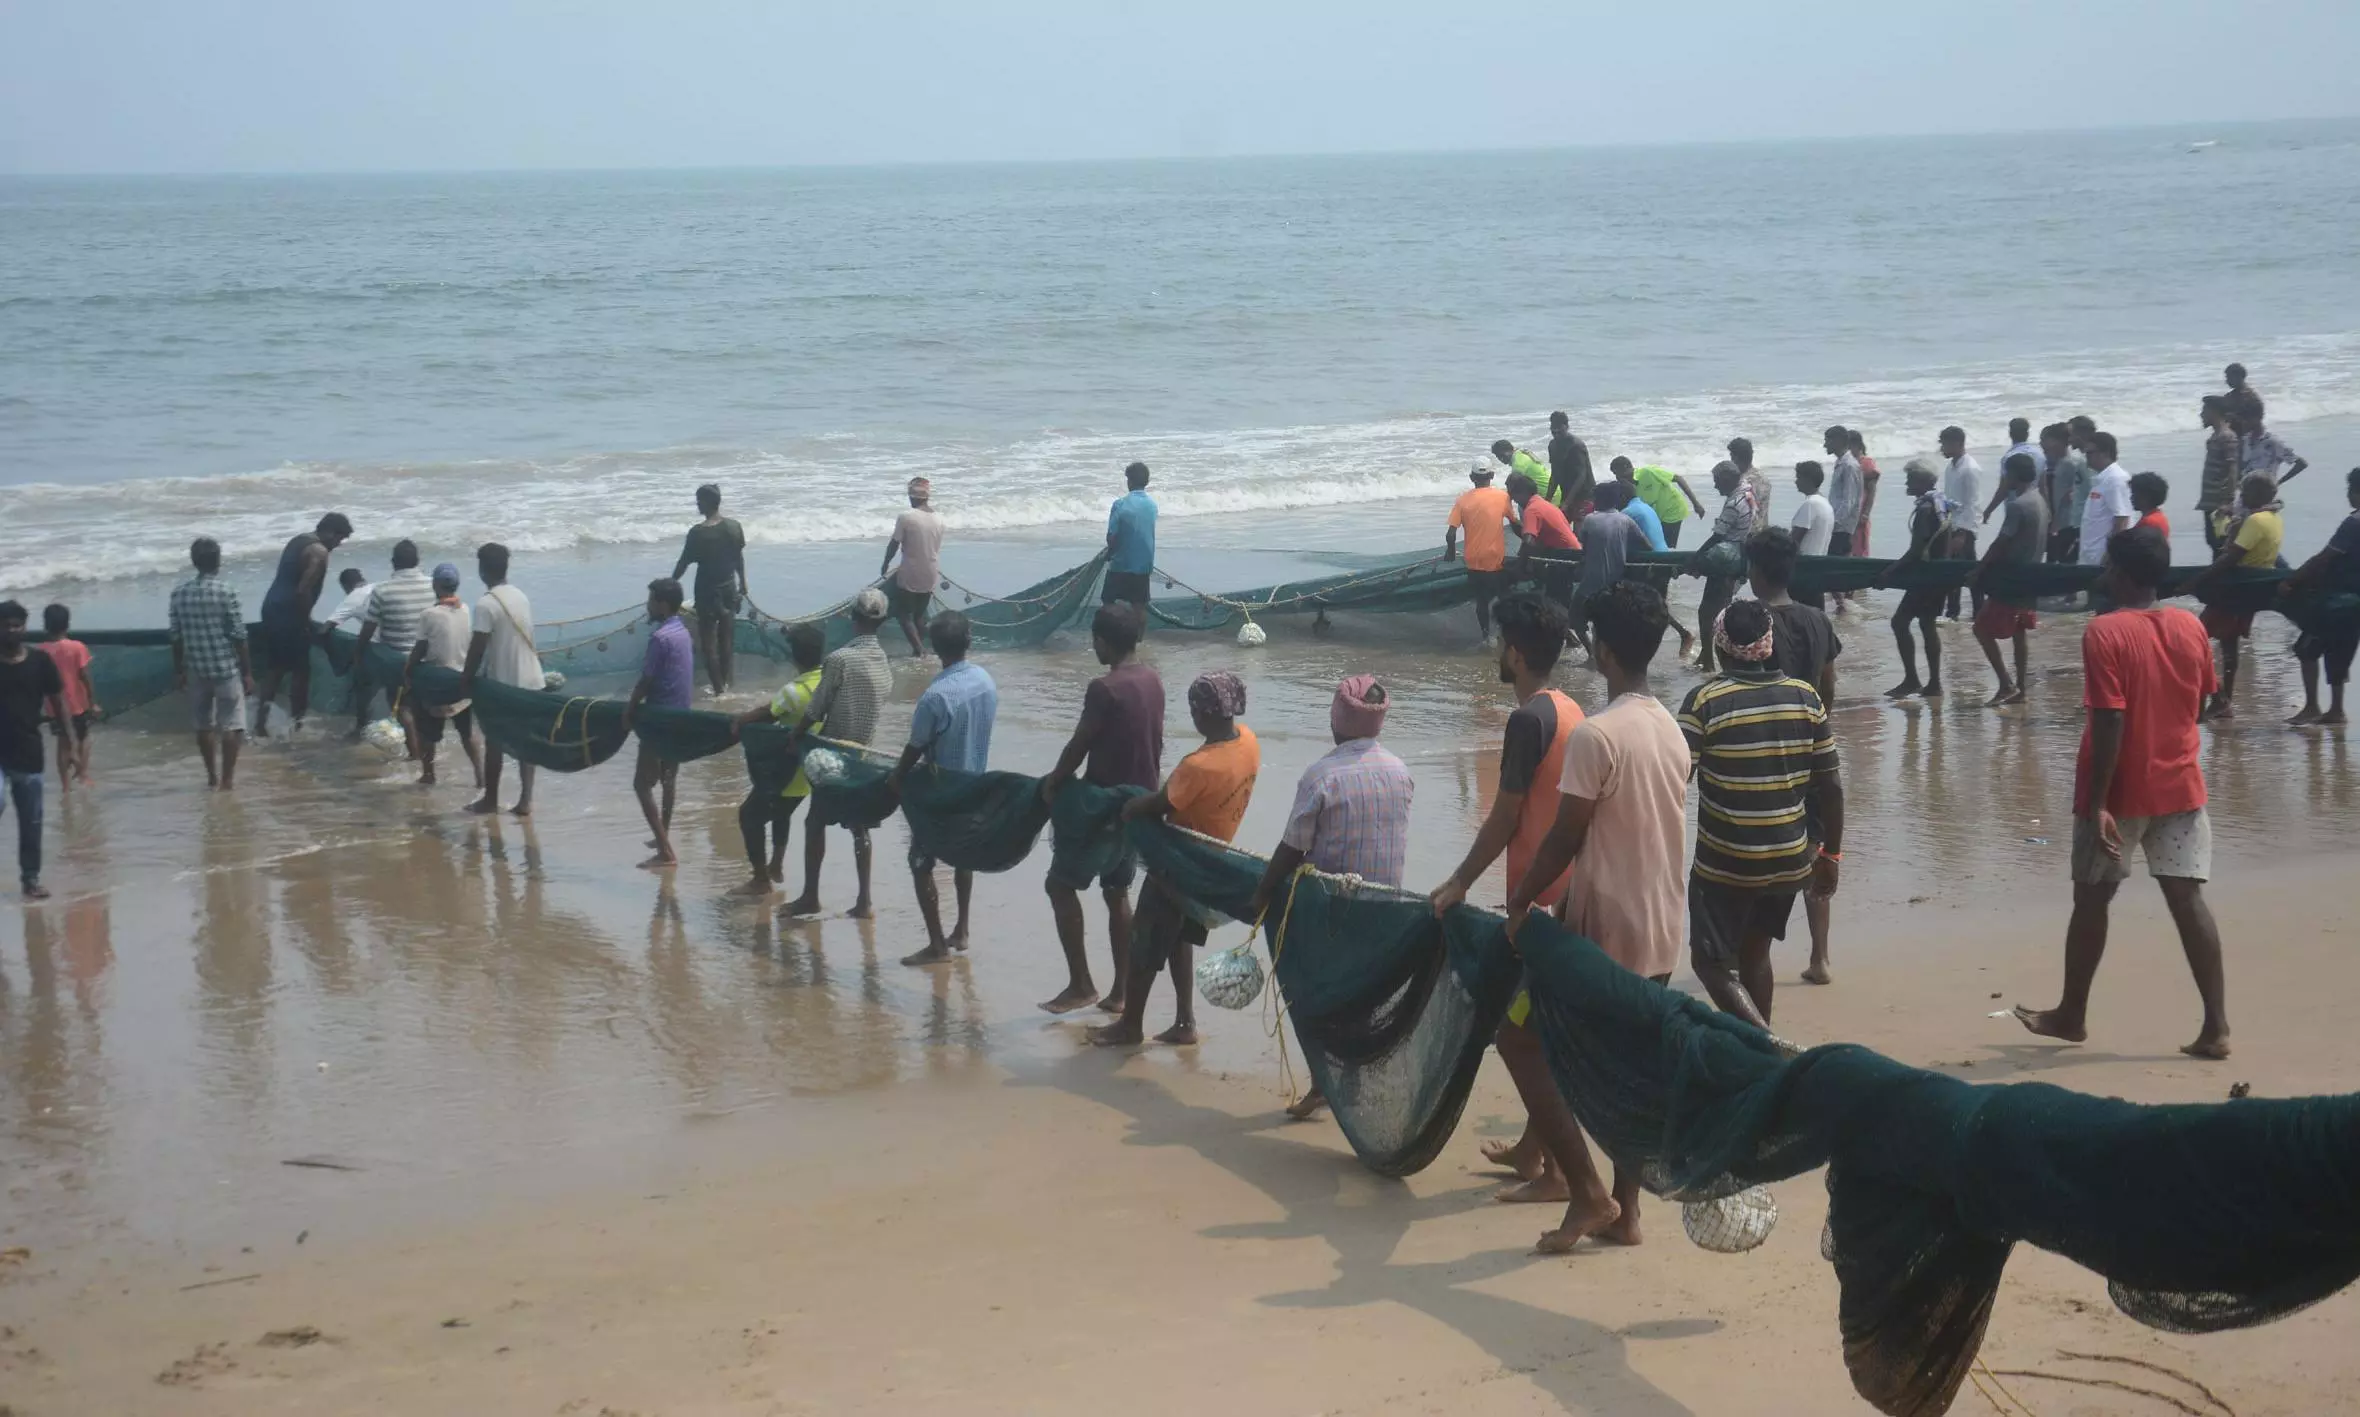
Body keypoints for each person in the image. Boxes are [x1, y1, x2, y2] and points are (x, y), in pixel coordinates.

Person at [1492, 580, 1689, 1251]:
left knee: (1517, 1037)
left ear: (1601, 650)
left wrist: (1520, 902)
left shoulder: (1598, 737)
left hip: (1601, 932)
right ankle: (1625, 1213)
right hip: (1661, 925)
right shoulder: (1669, 725)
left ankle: (1585, 1189)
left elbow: (1565, 837)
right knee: (1631, 1067)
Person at [2015, 526, 2230, 1061]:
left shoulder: (2105, 632)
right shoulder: (2190, 626)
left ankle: (2071, 1014)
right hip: (2182, 784)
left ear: (2124, 574)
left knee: (2091, 899)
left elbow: (2109, 718)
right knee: (2187, 898)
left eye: (2110, 565)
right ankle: (2217, 1026)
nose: (2104, 573)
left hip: (2122, 790)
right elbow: (2204, 702)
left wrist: (2100, 801)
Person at [1426, 593, 1598, 1243]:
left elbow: (1505, 816)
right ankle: (1533, 1151)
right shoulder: (1571, 708)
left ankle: (1557, 1172)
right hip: (1563, 889)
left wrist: (1458, 881)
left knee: (1515, 1031)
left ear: (1516, 652)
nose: (1500, 654)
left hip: (1540, 901)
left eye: (1502, 644)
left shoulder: (1527, 721)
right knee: (1540, 1029)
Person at [1252, 674, 1414, 1120]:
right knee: (1361, 1000)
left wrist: (1264, 890)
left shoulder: (1322, 776)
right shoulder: (1400, 772)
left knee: (1319, 996)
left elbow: (1293, 846)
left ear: (1336, 719)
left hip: (1331, 911)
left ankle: (1327, 1083)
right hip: (1384, 912)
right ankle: (1347, 1084)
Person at [1679, 600, 1842, 1028]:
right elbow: (1831, 786)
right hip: (1791, 859)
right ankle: (1759, 1056)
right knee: (1756, 955)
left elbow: (1678, 776)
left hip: (1725, 862)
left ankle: (1764, 1044)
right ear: (1768, 646)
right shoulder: (1805, 697)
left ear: (1720, 647)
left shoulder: (1705, 700)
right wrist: (1831, 856)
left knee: (1708, 961)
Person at [1091, 671, 1257, 1047]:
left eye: (1195, 710)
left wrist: (1131, 806)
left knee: (1145, 942)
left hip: (1176, 866)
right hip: (1213, 860)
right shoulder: (1248, 742)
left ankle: (1130, 1025)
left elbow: (1161, 803)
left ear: (1205, 714)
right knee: (1179, 935)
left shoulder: (1198, 766)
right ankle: (1185, 1021)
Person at [1038, 602, 1163, 1013]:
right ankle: (1121, 992)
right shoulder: (1153, 680)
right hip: (1140, 803)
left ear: (1102, 641)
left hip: (1105, 806)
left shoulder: (1104, 688)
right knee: (1117, 890)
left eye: (1095, 640)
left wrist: (1055, 781)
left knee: (1060, 885)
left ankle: (1081, 984)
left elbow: (1080, 744)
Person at [1744, 527, 1842, 983]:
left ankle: (1749, 949)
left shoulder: (1745, 621)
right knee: (1815, 849)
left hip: (1765, 750)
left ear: (1755, 571)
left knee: (1759, 853)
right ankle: (1819, 957)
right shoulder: (1818, 619)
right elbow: (1829, 686)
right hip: (1813, 746)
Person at [892, 611, 998, 967]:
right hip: (975, 782)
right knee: (963, 856)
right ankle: (962, 930)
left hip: (942, 790)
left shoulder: (935, 697)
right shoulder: (985, 680)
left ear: (935, 648)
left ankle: (937, 945)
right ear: (968, 641)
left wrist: (896, 777)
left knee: (920, 861)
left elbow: (916, 746)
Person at [785, 587, 896, 919]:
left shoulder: (839, 660)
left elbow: (815, 711)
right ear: (883, 622)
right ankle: (864, 901)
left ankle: (810, 897)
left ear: (853, 619)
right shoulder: (883, 661)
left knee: (814, 822)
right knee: (860, 827)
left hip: (833, 756)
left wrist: (795, 736)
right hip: (864, 757)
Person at [728, 622, 828, 894]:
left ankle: (760, 880)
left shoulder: (794, 692)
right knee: (781, 814)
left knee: (749, 816)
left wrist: (741, 720)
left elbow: (769, 712)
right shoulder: (826, 682)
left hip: (785, 774)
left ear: (794, 656)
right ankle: (776, 864)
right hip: (809, 777)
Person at [2188, 474, 2283, 720]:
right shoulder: (2274, 519)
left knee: (2193, 642)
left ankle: (2216, 698)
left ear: (2260, 494)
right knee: (2229, 646)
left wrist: (2195, 581)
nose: (2243, 497)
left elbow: (2230, 557)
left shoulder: (2255, 521)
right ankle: (2224, 701)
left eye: (2247, 493)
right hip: (2249, 594)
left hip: (2231, 594)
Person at [253, 512, 353, 736]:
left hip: (271, 607)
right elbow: (302, 590)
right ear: (329, 532)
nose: (338, 544)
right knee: (301, 671)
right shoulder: (319, 551)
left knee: (275, 669)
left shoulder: (299, 540)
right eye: (339, 538)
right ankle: (297, 724)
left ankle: (260, 723)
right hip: (289, 615)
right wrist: (305, 621)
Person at [460, 542, 541, 817]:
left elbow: (478, 646)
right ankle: (526, 800)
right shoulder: (520, 595)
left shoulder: (486, 604)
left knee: (494, 742)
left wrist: (466, 678)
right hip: (532, 680)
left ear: (482, 570)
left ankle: (490, 800)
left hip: (504, 684)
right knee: (527, 743)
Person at [167, 537, 253, 791]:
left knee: (202, 724)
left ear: (194, 562)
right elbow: (239, 635)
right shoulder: (227, 591)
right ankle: (227, 780)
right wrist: (247, 672)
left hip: (196, 668)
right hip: (225, 667)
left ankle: (211, 777)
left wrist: (179, 670)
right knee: (232, 724)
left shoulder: (179, 594)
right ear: (218, 560)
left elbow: (175, 635)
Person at [620, 579, 693, 869]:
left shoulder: (660, 638)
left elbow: (646, 681)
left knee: (641, 784)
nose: (648, 606)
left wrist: (629, 709)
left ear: (662, 604)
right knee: (669, 778)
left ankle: (665, 851)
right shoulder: (682, 632)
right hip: (681, 715)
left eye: (651, 600)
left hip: (659, 719)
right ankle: (663, 833)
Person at [1967, 454, 2049, 708]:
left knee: (1980, 628)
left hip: (2012, 578)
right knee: (2019, 631)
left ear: (2012, 475)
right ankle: (2021, 689)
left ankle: (2006, 684)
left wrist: (1979, 570)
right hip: (2031, 575)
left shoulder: (2018, 505)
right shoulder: (2040, 500)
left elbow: (2001, 543)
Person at [0, 602, 68, 901]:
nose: (11, 630)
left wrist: (72, 743)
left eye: (17, 625)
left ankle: (31, 879)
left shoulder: (40, 661)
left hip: (28, 752)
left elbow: (58, 700)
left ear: (25, 627)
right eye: (6, 625)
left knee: (32, 822)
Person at [2283, 467, 2360, 726]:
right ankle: (2336, 709)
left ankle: (2313, 706)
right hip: (2355, 605)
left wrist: (2292, 580)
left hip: (2338, 602)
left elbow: (2325, 557)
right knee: (2340, 652)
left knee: (2306, 649)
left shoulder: (2353, 523)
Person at [402, 564, 483, 790]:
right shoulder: (466, 609)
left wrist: (408, 670)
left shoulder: (429, 614)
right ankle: (480, 776)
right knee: (467, 732)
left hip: (437, 682)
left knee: (428, 731)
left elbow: (420, 648)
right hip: (462, 681)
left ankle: (429, 774)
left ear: (435, 585)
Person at [1877, 458, 1952, 698]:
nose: (1907, 482)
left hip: (1924, 578)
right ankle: (1934, 683)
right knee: (1927, 624)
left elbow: (1916, 551)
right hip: (1938, 575)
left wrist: (1889, 572)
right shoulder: (1941, 503)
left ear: (1922, 481)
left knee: (1900, 622)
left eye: (1910, 478)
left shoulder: (1925, 509)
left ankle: (1912, 679)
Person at [351, 539, 434, 743]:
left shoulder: (382, 590)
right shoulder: (434, 585)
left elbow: (368, 628)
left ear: (393, 562)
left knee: (401, 704)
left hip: (396, 660)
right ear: (417, 561)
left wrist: (358, 653)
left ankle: (413, 752)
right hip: (429, 658)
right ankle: (425, 749)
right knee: (423, 706)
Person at [672, 483, 748, 695]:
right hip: (729, 589)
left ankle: (718, 691)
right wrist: (743, 582)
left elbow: (683, 563)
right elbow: (738, 557)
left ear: (707, 502)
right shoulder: (734, 527)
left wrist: (669, 584)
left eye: (699, 500)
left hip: (706, 592)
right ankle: (727, 684)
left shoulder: (697, 533)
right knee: (727, 640)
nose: (697, 504)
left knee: (708, 645)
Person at [1686, 460, 1755, 673]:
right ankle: (1705, 654)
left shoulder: (1735, 502)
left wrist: (1697, 558)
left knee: (1707, 612)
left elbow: (1718, 535)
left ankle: (1709, 661)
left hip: (1726, 560)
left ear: (1727, 479)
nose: (1715, 486)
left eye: (1717, 482)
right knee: (1720, 609)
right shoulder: (1748, 493)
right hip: (1739, 556)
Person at [1443, 461, 1515, 643]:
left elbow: (1451, 534)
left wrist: (1451, 553)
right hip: (1495, 558)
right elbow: (1515, 524)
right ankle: (1505, 633)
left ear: (1472, 478)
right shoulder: (1503, 497)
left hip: (1473, 560)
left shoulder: (1463, 500)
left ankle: (1485, 636)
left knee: (1481, 601)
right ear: (1491, 476)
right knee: (1504, 597)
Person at [1572, 488, 1643, 655]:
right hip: (1615, 583)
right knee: (1604, 621)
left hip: (1591, 583)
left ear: (1599, 501)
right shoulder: (1626, 520)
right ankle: (1607, 654)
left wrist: (1578, 520)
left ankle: (1593, 655)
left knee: (1575, 618)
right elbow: (1645, 544)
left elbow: (1582, 543)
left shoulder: (1590, 519)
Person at [881, 476, 946, 657]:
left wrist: (885, 563)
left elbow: (894, 544)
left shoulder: (906, 517)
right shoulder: (940, 519)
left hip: (911, 572)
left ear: (912, 497)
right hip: (931, 572)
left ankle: (920, 650)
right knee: (919, 616)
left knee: (904, 615)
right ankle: (936, 645)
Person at [35, 604, 95, 790]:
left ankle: (65, 785)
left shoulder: (40, 651)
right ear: (67, 624)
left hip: (54, 707)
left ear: (45, 625)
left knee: (62, 742)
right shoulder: (77, 647)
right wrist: (92, 702)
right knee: (84, 738)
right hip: (77, 703)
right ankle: (83, 775)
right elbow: (84, 676)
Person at [1504, 470, 1580, 614]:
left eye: (1514, 495)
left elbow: (1528, 541)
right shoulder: (1543, 503)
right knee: (1561, 595)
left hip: (1564, 556)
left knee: (1554, 599)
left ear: (1524, 493)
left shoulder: (1532, 510)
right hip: (1572, 551)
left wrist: (1520, 567)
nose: (1513, 500)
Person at [1936, 427, 1982, 621]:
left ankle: (1975, 611)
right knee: (1953, 571)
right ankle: (1954, 611)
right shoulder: (1951, 467)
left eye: (1944, 444)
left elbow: (1972, 503)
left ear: (1957, 444)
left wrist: (1962, 533)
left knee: (1968, 571)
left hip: (1965, 529)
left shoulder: (1969, 468)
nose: (1941, 448)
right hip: (1951, 526)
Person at [1614, 457, 1705, 548]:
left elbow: (1678, 478)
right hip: (1657, 514)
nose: (1616, 477)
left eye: (1616, 473)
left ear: (1626, 468)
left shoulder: (1649, 471)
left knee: (1668, 545)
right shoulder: (1626, 486)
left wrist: (1696, 504)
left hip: (1673, 510)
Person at [1103, 462, 1159, 611]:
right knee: (1139, 606)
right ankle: (1137, 634)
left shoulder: (1120, 504)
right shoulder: (1152, 505)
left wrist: (1109, 553)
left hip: (1121, 566)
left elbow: (1111, 537)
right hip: (1144, 566)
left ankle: (1113, 631)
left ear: (1130, 481)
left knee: (1108, 602)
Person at [2080, 433, 2135, 576]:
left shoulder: (2115, 479)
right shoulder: (2101, 478)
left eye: (2090, 453)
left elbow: (2122, 519)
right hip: (2092, 553)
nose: (2086, 456)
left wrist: (2111, 555)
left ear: (2105, 453)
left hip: (2104, 557)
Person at [2197, 396, 2242, 553]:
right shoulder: (2215, 437)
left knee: (2220, 542)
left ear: (2214, 412)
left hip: (2219, 501)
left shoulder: (2226, 437)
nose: (2201, 415)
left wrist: (2228, 501)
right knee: (2213, 540)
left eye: (2204, 411)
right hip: (2210, 500)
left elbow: (2233, 469)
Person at [2042, 422, 2089, 564]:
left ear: (2057, 442)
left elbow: (2069, 496)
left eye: (2045, 440)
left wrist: (2054, 523)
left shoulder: (2068, 464)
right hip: (2067, 521)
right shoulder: (2068, 461)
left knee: (2061, 561)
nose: (2042, 444)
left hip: (2066, 522)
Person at [2237, 396, 2308, 488]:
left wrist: (2278, 483)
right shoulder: (2245, 440)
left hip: (2264, 494)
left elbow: (2301, 464)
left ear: (2259, 417)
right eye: (2242, 420)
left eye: (2246, 419)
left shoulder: (2273, 443)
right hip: (2245, 493)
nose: (2243, 423)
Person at [1544, 412, 1595, 518]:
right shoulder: (1552, 446)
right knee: (1558, 528)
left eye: (1560, 431)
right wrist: (1546, 501)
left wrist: (1567, 503)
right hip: (1566, 492)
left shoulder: (1576, 445)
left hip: (1584, 494)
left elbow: (1581, 475)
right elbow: (1555, 475)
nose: (1556, 435)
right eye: (1554, 432)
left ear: (1567, 427)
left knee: (1579, 530)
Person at [1824, 426, 1864, 558]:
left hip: (1841, 528)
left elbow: (1849, 501)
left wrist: (1833, 523)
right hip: (1837, 526)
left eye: (1827, 441)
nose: (1825, 445)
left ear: (1838, 441)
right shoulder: (1841, 462)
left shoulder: (1849, 465)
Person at [1789, 460, 1835, 558]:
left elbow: (1794, 540)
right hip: (1819, 561)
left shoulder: (1810, 504)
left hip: (1805, 562)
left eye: (1799, 477)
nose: (1796, 481)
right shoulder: (1826, 504)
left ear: (1808, 480)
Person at [1847, 430, 1881, 558]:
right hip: (1850, 511)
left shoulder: (1866, 463)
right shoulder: (1848, 463)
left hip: (1860, 511)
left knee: (1859, 546)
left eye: (1849, 446)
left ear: (1857, 445)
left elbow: (1872, 490)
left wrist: (1866, 513)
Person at [1728, 437, 1772, 530]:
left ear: (1735, 457)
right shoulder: (1763, 478)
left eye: (1731, 456)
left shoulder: (1743, 482)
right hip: (1763, 532)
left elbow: (1743, 512)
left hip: (1746, 534)